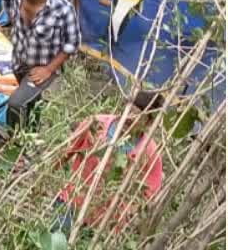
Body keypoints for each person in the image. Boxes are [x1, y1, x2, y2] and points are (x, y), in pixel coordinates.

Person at [54, 90, 164, 231]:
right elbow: (66, 151)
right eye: (129, 110)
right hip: (72, 201)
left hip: (104, 222)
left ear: (148, 123)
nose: (129, 117)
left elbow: (150, 191)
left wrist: (129, 211)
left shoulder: (149, 152)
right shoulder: (97, 124)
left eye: (138, 116)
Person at [0, 0, 82, 129]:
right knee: (31, 100)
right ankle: (32, 136)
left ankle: (12, 141)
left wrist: (49, 69)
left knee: (15, 104)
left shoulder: (61, 8)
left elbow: (73, 43)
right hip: (18, 60)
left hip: (43, 66)